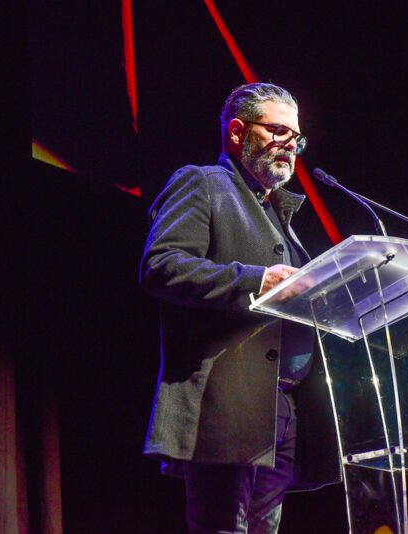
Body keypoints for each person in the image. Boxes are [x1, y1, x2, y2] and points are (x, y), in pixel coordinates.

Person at [139, 83, 340, 533]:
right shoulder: (203, 183)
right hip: (226, 404)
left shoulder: (278, 213)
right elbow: (161, 266)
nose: (290, 145)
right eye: (278, 131)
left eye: (296, 138)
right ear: (236, 132)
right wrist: (256, 280)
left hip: (282, 408)